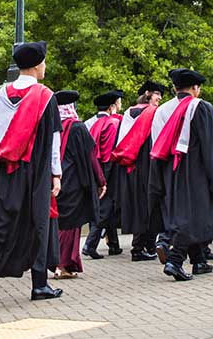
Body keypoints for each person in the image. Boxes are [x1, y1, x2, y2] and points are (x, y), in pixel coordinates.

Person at [0, 41, 63, 306]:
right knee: (38, 223)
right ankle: (39, 285)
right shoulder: (46, 97)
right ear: (36, 65)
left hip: (3, 167)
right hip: (35, 171)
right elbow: (54, 141)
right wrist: (55, 174)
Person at [149, 69, 213, 280]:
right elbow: (212, 146)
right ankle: (175, 261)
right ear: (195, 88)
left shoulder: (162, 110)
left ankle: (198, 261)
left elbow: (156, 143)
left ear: (175, 88)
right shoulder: (201, 107)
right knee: (193, 216)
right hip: (195, 172)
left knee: (184, 214)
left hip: (169, 169)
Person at [53, 90, 105, 279]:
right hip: (74, 181)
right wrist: (101, 180)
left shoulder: (52, 125)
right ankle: (62, 264)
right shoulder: (78, 127)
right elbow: (90, 156)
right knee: (70, 225)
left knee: (59, 223)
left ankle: (64, 262)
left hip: (55, 179)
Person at [110, 81, 164, 262]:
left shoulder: (129, 112)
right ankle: (142, 247)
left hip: (131, 166)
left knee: (138, 205)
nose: (160, 98)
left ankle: (142, 246)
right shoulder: (153, 113)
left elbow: (122, 139)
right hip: (147, 164)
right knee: (150, 205)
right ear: (148, 94)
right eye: (157, 94)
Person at [82, 89, 124, 259]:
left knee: (109, 209)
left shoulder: (94, 123)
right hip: (108, 168)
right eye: (119, 102)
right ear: (112, 106)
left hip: (94, 167)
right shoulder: (112, 124)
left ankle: (113, 244)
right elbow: (109, 152)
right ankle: (89, 245)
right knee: (106, 208)